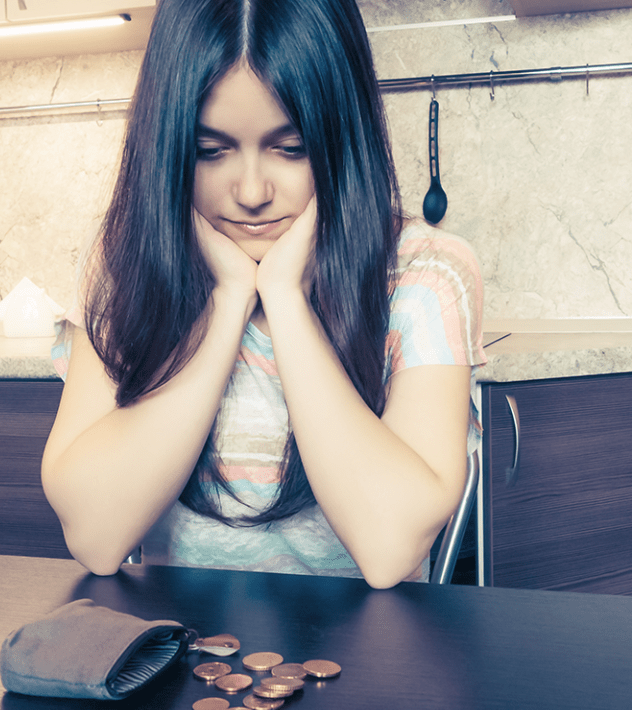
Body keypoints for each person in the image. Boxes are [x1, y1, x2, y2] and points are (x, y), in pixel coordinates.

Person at [42, 0, 487, 588]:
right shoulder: (125, 263)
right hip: (184, 662)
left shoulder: (428, 274)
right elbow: (96, 537)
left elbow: (390, 548)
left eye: (292, 147)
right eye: (210, 150)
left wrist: (285, 296)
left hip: (368, 666)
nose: (251, 191)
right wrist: (228, 301)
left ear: (340, 138)